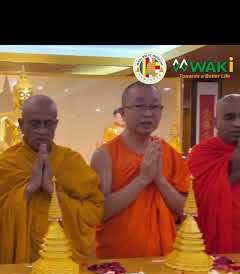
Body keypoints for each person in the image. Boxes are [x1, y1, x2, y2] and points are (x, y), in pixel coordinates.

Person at [0, 95, 104, 264]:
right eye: (35, 124)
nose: (42, 130)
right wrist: (30, 188)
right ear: (21, 125)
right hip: (23, 260)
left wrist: (52, 191)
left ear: (56, 125)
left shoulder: (71, 161)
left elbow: (95, 209)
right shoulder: (7, 163)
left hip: (64, 258)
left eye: (48, 124)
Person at [91, 82, 190, 259]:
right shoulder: (104, 155)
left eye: (154, 107)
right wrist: (142, 179)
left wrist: (159, 179)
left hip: (165, 256)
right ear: (123, 113)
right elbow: (99, 212)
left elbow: (186, 209)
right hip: (118, 259)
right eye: (139, 106)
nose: (148, 113)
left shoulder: (170, 154)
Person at [188, 94, 240, 253]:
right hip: (213, 245)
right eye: (229, 118)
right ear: (216, 122)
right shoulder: (201, 154)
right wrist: (236, 166)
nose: (237, 124)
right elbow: (197, 203)